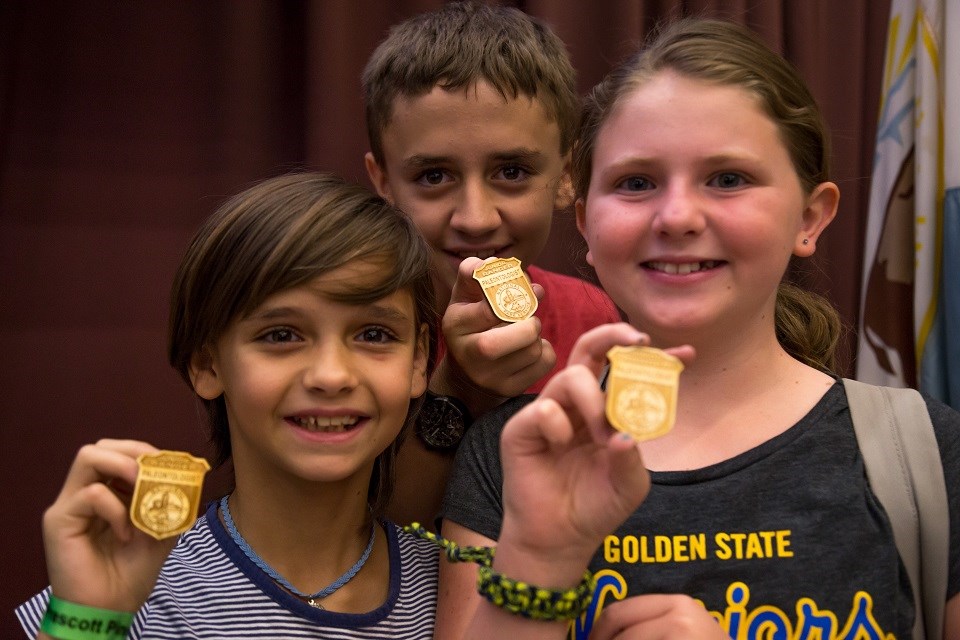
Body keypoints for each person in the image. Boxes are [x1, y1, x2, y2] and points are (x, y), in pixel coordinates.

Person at [436, 18, 960, 640]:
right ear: (585, 225)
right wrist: (542, 560)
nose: (677, 216)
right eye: (636, 183)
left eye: (728, 179)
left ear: (810, 218)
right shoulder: (513, 457)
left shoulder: (925, 450)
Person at [16, 173, 441, 638]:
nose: (331, 376)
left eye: (374, 335)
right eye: (281, 335)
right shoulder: (115, 592)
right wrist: (90, 620)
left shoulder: (460, 588)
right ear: (207, 364)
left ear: (419, 359)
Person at [361, 0, 621, 528]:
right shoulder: (354, 330)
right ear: (384, 182)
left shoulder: (597, 316)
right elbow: (360, 542)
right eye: (434, 176)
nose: (475, 219)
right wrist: (458, 390)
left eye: (512, 171)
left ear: (567, 175)